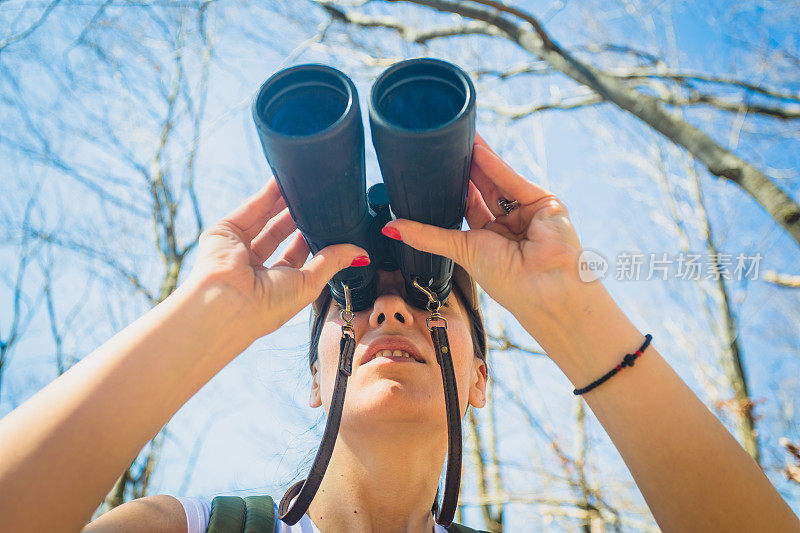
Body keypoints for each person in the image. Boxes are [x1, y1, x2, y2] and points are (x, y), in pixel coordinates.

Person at [0, 133, 797, 533]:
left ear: (479, 377)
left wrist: (572, 308)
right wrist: (204, 311)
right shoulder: (198, 529)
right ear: (314, 379)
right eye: (351, 300)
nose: (390, 310)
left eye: (431, 295)